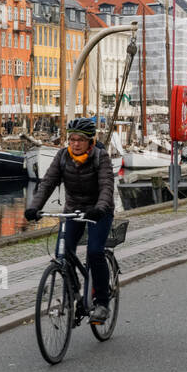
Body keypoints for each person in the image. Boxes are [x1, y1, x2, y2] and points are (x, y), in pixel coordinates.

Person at [24, 117, 115, 323]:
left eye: (80, 140)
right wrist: (33, 207)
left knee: (94, 251)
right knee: (62, 254)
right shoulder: (62, 156)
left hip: (98, 211)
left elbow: (106, 187)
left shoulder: (101, 157)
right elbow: (47, 184)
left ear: (90, 141)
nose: (75, 143)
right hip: (73, 209)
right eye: (72, 139)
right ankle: (74, 295)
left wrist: (100, 208)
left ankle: (101, 302)